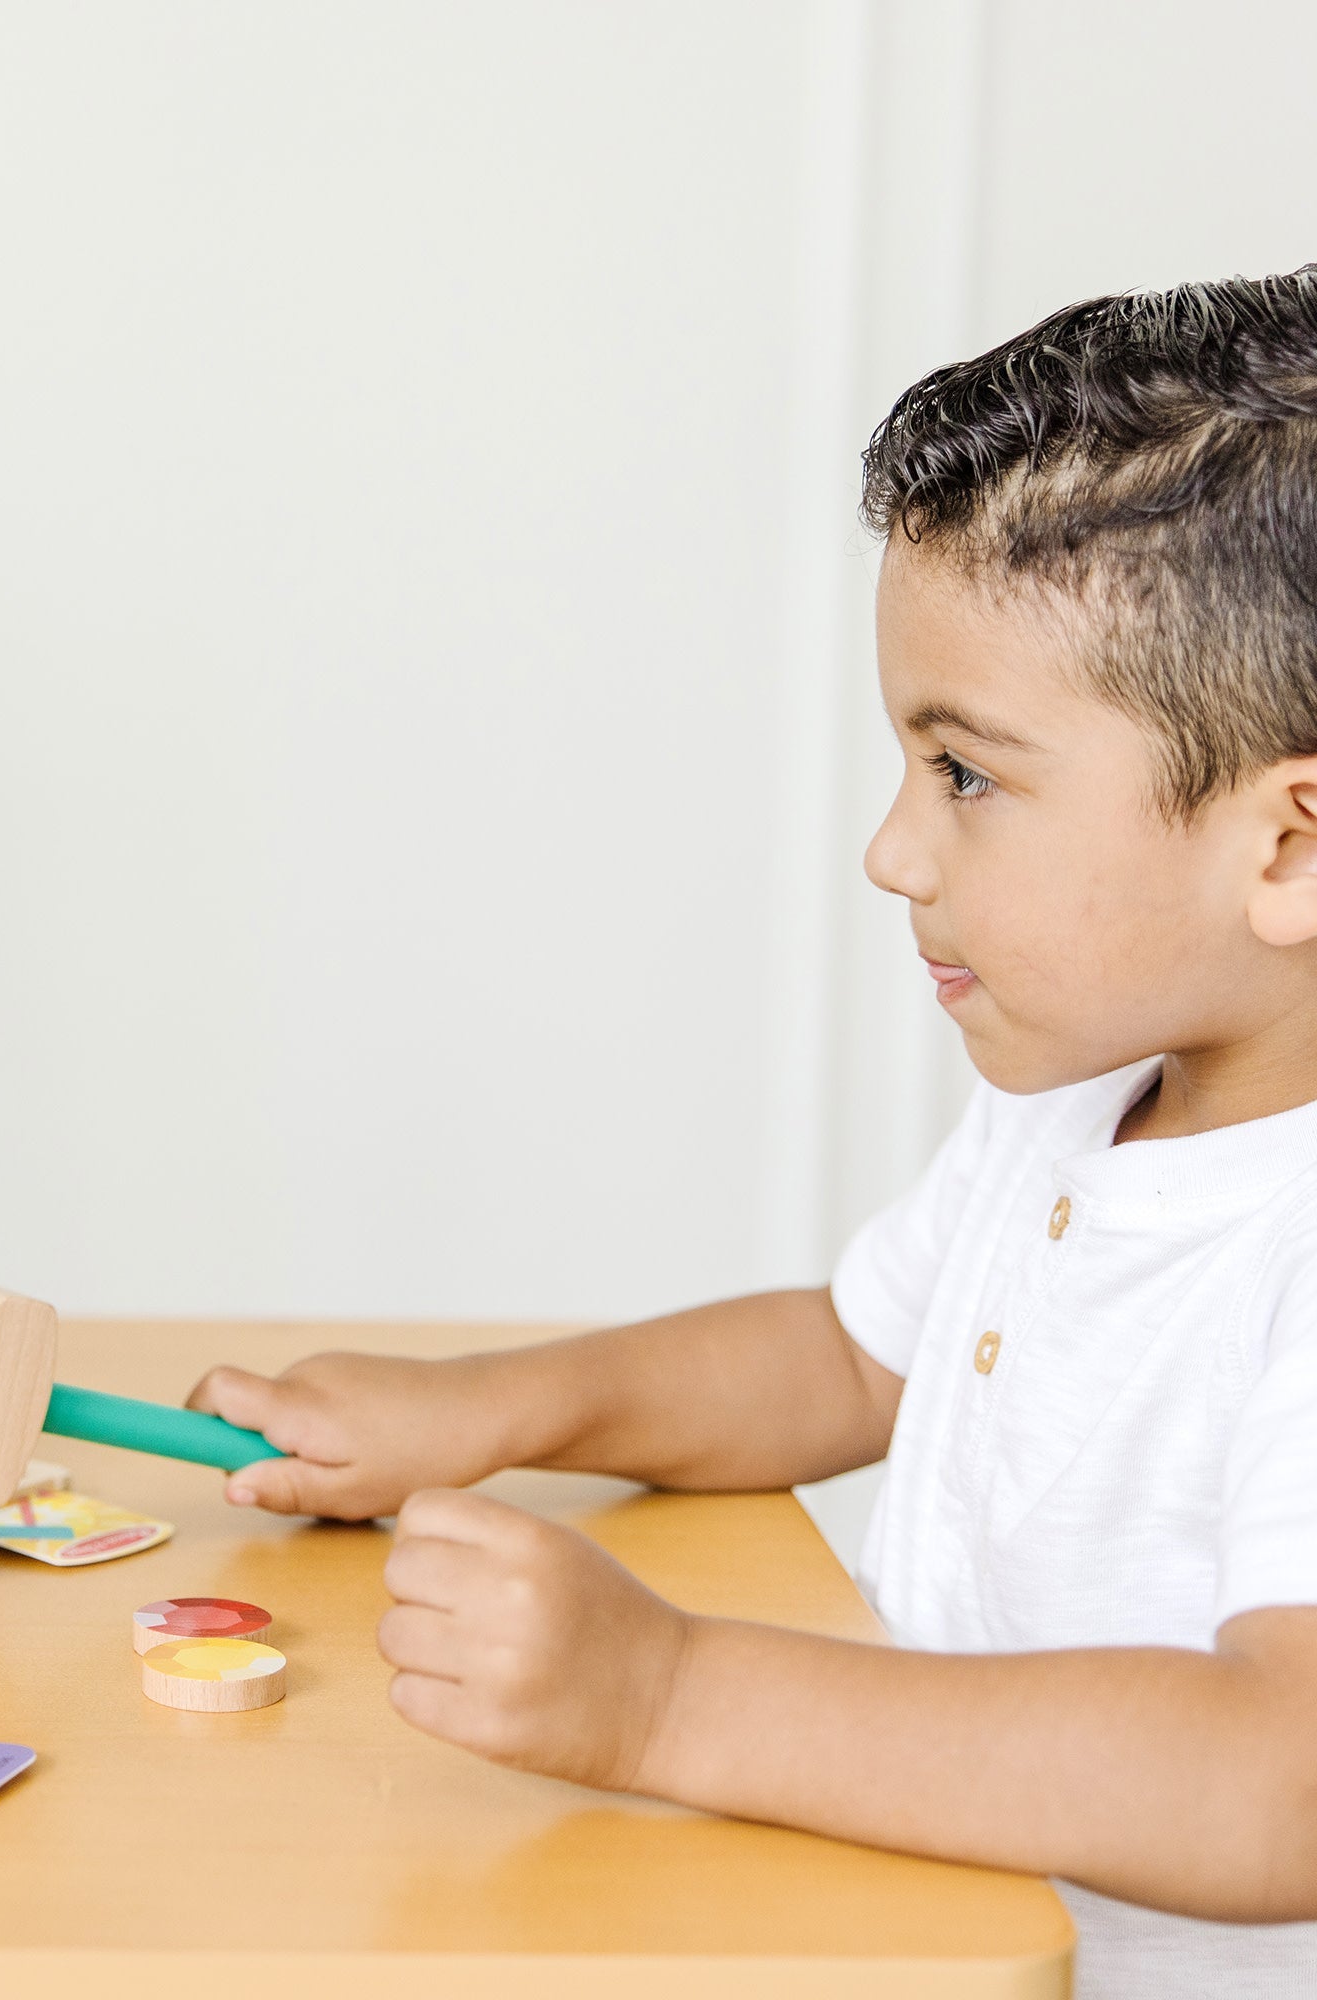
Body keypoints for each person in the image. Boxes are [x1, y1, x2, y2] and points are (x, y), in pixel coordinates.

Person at [187, 274, 1317, 1995]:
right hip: (951, 1938)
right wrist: (493, 1409)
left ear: (1290, 845)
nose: (894, 850)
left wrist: (667, 1696)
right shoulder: (1089, 1100)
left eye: (967, 774)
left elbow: (1274, 1789)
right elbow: (857, 1360)